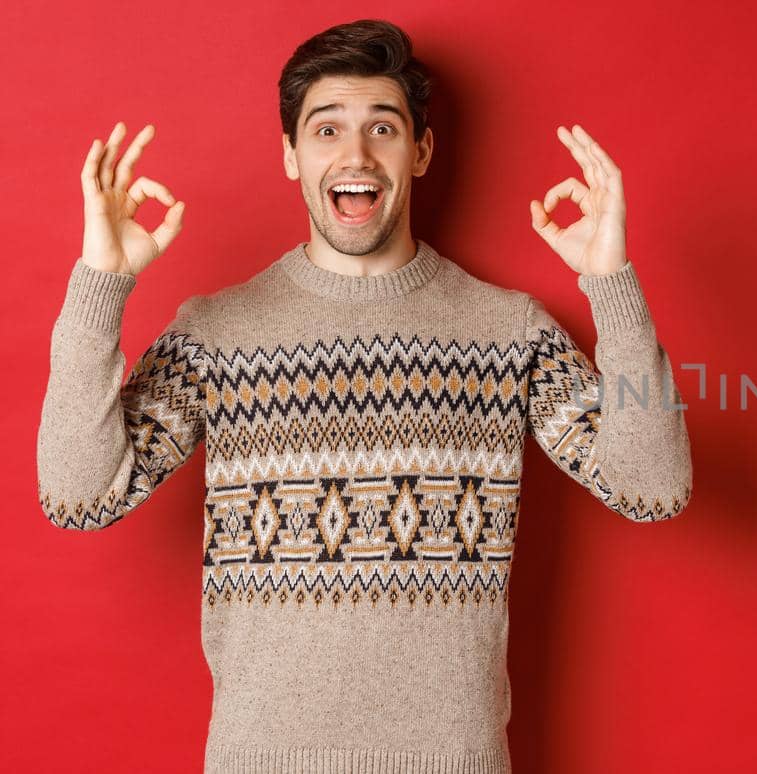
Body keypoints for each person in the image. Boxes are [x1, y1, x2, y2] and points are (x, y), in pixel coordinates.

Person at [36, 18, 692, 773]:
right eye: (326, 130)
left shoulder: (506, 332)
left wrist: (611, 287)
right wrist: (100, 284)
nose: (355, 154)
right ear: (291, 155)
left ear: (420, 152)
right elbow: (78, 497)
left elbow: (654, 489)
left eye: (383, 127)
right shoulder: (217, 333)